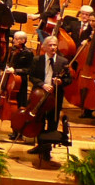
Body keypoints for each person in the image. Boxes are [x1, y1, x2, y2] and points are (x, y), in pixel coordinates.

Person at [27, 36, 69, 166]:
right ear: (44, 47)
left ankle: (47, 150)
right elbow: (32, 76)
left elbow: (69, 80)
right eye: (50, 45)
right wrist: (42, 84)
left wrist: (61, 81)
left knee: (52, 122)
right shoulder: (37, 60)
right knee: (39, 121)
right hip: (39, 95)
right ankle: (40, 145)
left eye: (55, 45)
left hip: (55, 97)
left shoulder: (63, 62)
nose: (53, 48)